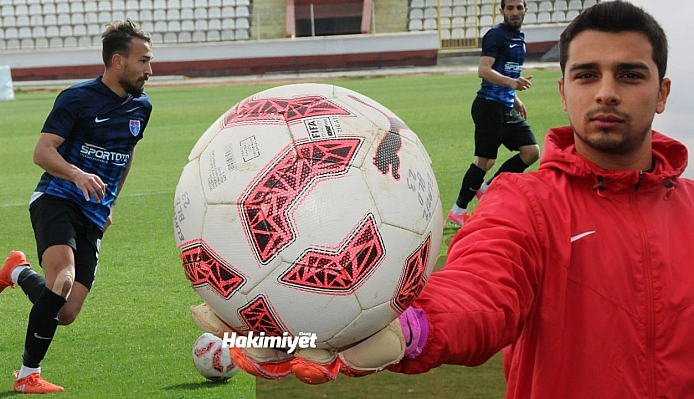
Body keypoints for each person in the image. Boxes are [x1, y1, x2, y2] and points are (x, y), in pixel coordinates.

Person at [190, 1, 694, 397]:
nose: (606, 92)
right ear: (563, 92)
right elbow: (480, 291)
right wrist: (410, 327)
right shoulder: (527, 203)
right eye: (588, 75)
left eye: (629, 75)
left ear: (662, 92)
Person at [0, 19, 153, 394]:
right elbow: (42, 152)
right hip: (57, 198)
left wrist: (111, 204)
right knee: (61, 280)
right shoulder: (77, 98)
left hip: (95, 211)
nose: (149, 70)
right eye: (143, 61)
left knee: (65, 312)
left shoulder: (142, 107)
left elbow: (124, 158)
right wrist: (76, 175)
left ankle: (16, 271)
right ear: (118, 61)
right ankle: (27, 375)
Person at [447, 0, 540, 227]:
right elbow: (484, 70)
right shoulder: (496, 35)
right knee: (484, 161)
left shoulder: (520, 38)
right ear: (502, 11)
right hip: (489, 106)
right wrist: (512, 84)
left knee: (531, 151)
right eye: (510, 8)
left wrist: (515, 98)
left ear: (526, 10)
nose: (515, 12)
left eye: (519, 7)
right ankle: (458, 211)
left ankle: (487, 188)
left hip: (506, 107)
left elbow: (505, 71)